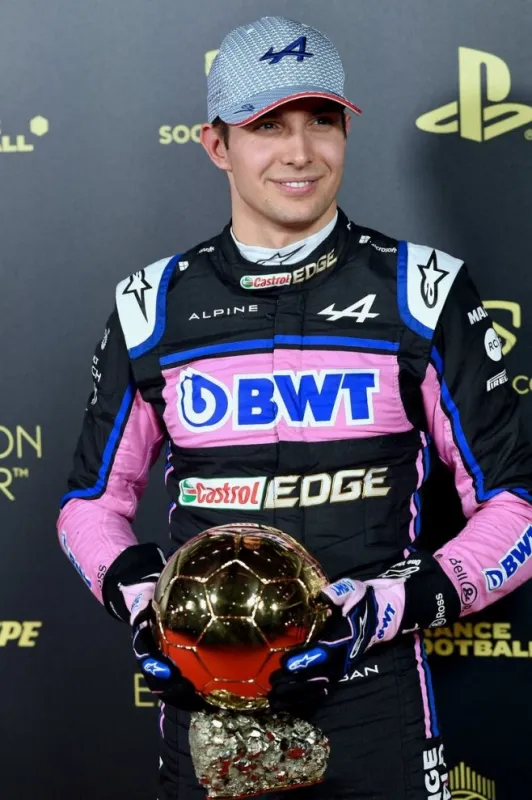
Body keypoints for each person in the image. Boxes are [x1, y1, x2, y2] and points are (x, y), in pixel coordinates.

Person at [57, 15, 532, 800]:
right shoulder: (153, 306)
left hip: (374, 708)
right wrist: (144, 606)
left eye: (322, 121)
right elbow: (89, 505)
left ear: (347, 130)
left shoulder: (422, 289)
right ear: (217, 145)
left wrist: (390, 607)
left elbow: (515, 503)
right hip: (207, 715)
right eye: (267, 125)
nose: (300, 152)